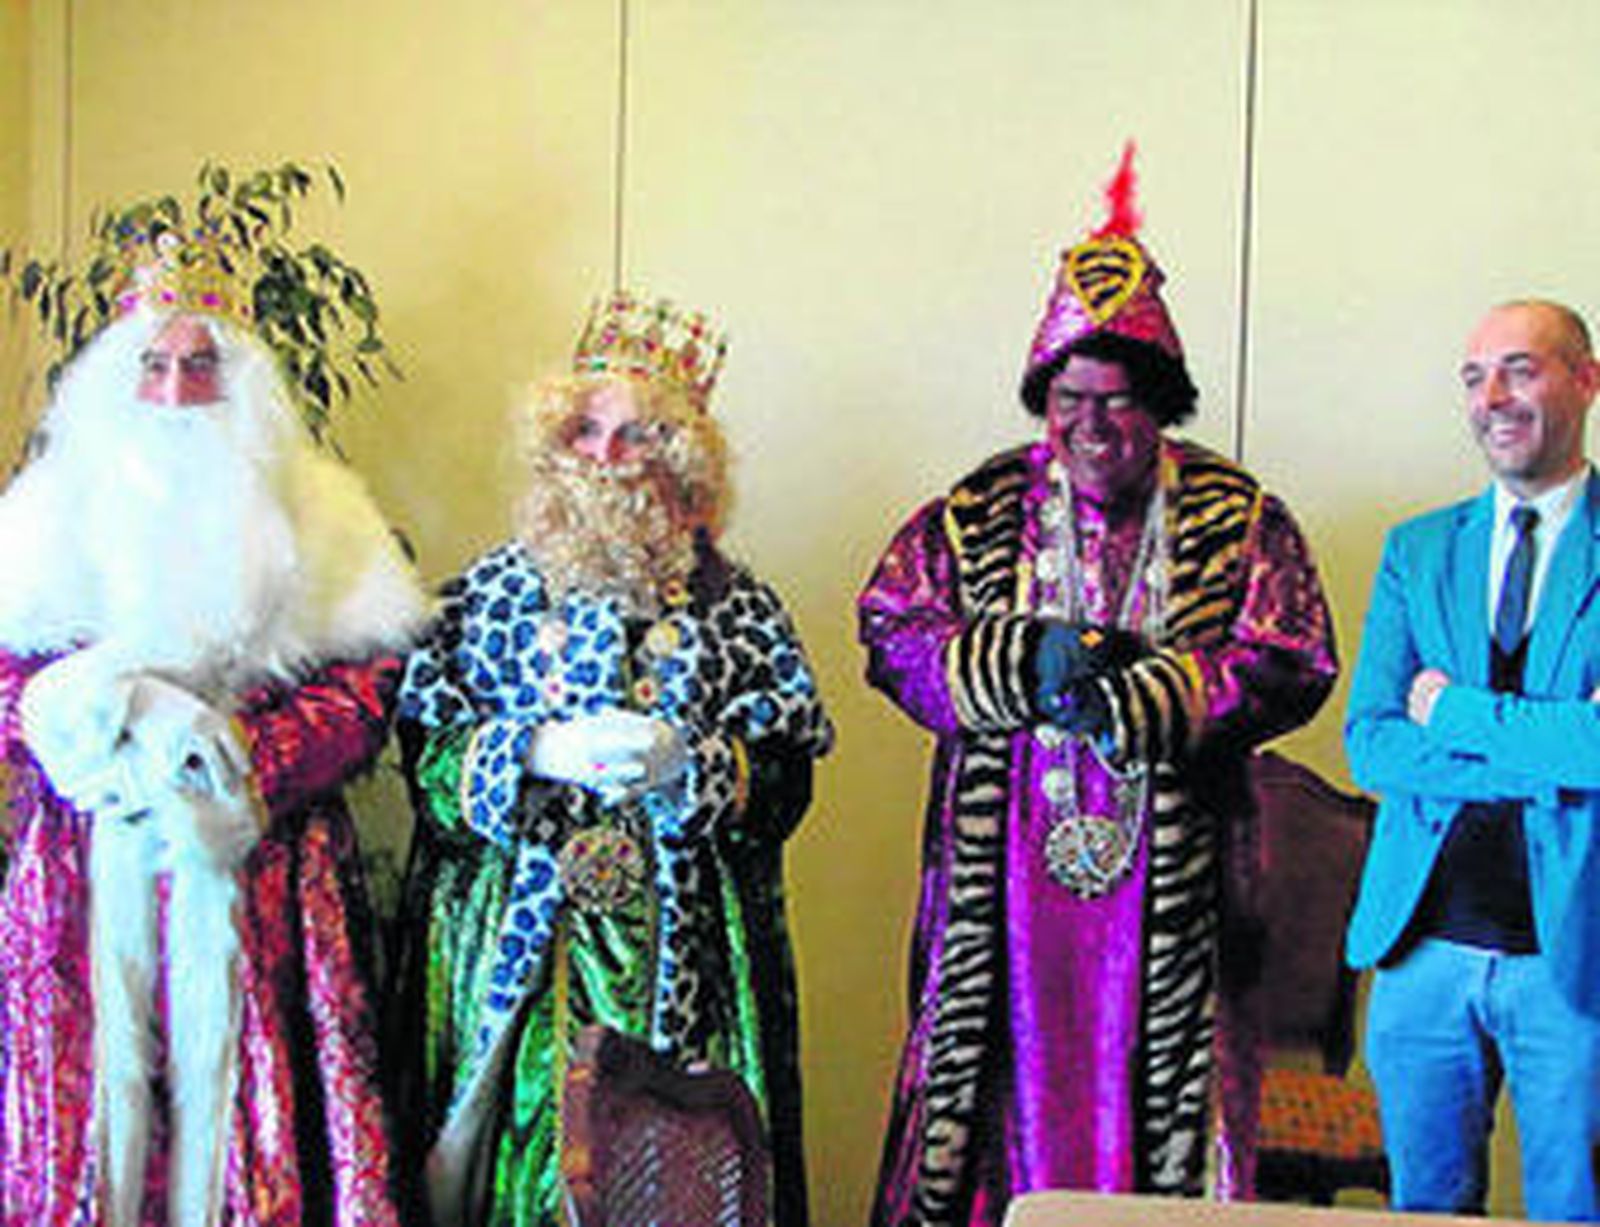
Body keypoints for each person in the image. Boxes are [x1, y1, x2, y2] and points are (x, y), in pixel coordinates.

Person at [859, 149, 1338, 1227]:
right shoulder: (973, 511)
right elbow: (889, 629)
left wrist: (1165, 692)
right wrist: (1007, 665)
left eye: (1116, 403)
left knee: (1171, 1102)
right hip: (1008, 888)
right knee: (983, 1101)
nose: (1089, 426)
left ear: (1159, 404)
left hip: (1172, 892)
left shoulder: (1233, 514)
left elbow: (1292, 655)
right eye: (1067, 399)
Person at [0, 236, 425, 1225]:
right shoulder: (43, 512)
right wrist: (109, 717)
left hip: (264, 868)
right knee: (84, 1125)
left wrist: (240, 762)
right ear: (117, 379)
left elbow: (368, 691)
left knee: (257, 1132)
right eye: (154, 365)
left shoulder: (323, 512)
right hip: (82, 862)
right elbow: (10, 678)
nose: (180, 390)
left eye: (204, 365)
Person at [387, 290, 833, 1227]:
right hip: (523, 962)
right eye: (586, 430)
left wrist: (695, 765)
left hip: (692, 970)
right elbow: (429, 771)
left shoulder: (740, 609)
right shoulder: (480, 598)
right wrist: (533, 748)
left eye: (635, 436)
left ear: (679, 458)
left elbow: (786, 782)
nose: (605, 458)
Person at [1345, 299, 1600, 1220]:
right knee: (1427, 1212)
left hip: (1575, 960)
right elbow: (1371, 738)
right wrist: (1548, 748)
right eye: (1474, 375)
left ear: (1586, 379)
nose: (1494, 396)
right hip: (1421, 955)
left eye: (1522, 368)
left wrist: (1453, 710)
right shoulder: (1415, 550)